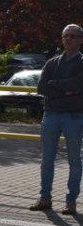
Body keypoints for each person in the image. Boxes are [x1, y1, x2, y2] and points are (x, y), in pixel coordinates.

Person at [29, 24, 83, 214]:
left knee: (75, 160)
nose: (68, 39)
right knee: (47, 159)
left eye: (73, 36)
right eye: (66, 35)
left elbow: (78, 84)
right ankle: (45, 198)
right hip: (51, 114)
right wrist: (67, 91)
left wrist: (56, 87)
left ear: (80, 40)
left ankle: (70, 201)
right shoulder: (51, 63)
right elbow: (42, 88)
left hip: (75, 116)